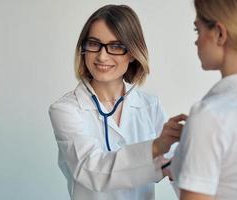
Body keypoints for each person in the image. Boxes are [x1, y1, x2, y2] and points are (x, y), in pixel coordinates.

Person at [49, 4, 186, 200]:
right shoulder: (65, 110)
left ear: (132, 53)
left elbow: (176, 168)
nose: (102, 56)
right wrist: (155, 149)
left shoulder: (149, 106)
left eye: (115, 46)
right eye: (94, 44)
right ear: (83, 49)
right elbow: (91, 170)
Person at [170, 0, 237, 199]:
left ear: (220, 33)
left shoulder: (210, 115)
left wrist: (198, 134)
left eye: (198, 30)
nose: (196, 41)